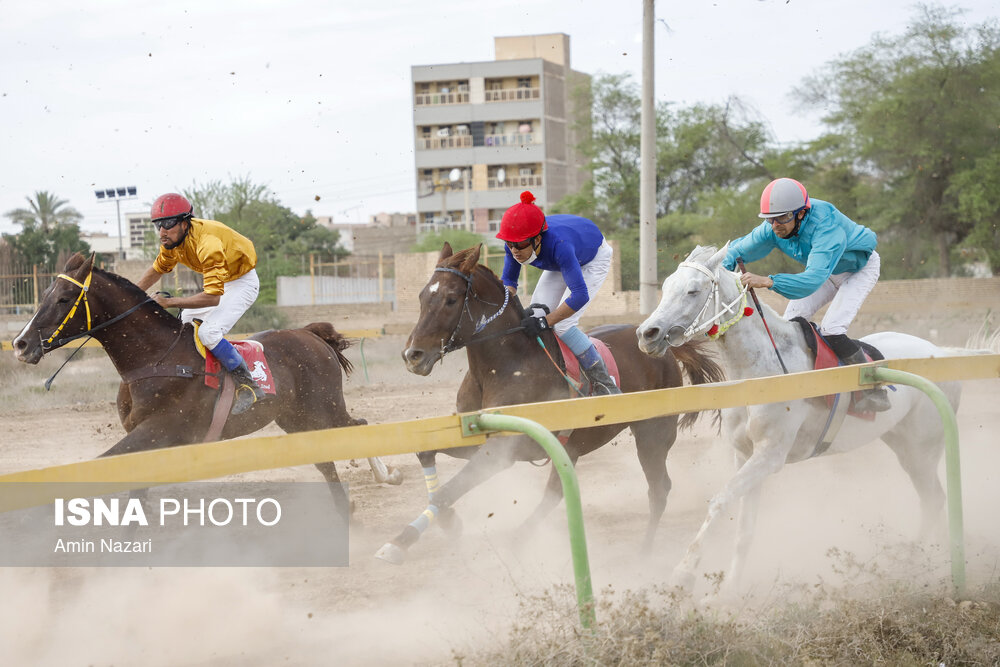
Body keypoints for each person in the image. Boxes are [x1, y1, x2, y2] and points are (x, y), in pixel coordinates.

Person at [723, 177, 890, 412]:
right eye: (770, 219)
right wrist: (716, 271)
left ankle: (874, 389)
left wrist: (768, 281)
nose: (775, 225)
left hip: (858, 270)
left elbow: (812, 280)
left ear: (801, 213)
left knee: (832, 329)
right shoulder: (774, 225)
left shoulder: (826, 226)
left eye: (782, 218)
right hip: (827, 271)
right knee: (790, 324)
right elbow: (737, 250)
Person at [135, 193, 266, 414]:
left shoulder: (208, 244)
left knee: (209, 332)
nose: (162, 231)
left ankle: (249, 387)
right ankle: (198, 379)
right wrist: (133, 296)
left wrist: (169, 302)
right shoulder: (172, 242)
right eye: (158, 225)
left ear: (185, 223)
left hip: (243, 283)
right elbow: (158, 269)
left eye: (168, 224)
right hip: (224, 282)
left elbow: (213, 297)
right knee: (185, 322)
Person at [496, 190, 620, 395]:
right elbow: (509, 283)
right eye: (510, 243)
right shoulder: (514, 244)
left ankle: (605, 382)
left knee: (562, 324)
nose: (514, 250)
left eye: (520, 244)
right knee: (535, 313)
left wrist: (547, 322)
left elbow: (579, 295)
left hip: (592, 258)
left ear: (537, 239)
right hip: (563, 259)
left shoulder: (559, 246)